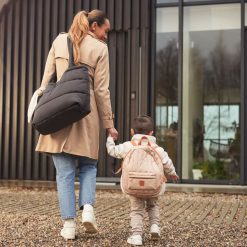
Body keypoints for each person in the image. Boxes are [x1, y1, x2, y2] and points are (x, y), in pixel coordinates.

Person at [35, 10, 118, 240]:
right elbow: (101, 91)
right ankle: (88, 209)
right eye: (105, 30)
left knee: (64, 174)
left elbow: (46, 79)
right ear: (93, 26)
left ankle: (69, 226)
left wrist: (42, 103)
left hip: (59, 111)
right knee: (89, 167)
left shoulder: (60, 40)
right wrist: (109, 124)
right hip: (85, 114)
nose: (106, 35)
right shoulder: (100, 49)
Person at [106, 115, 179, 246]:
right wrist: (172, 174)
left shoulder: (129, 146)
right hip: (153, 185)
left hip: (133, 185)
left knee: (136, 211)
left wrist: (111, 138)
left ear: (132, 132)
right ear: (151, 133)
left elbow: (112, 151)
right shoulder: (157, 148)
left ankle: (137, 236)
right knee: (153, 205)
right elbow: (167, 163)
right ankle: (155, 227)